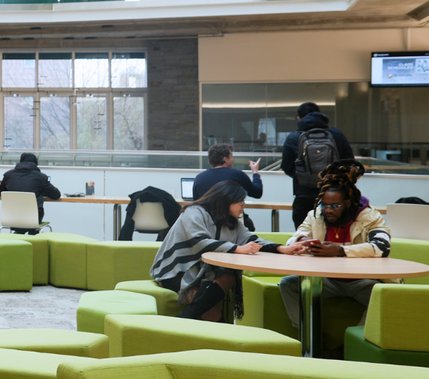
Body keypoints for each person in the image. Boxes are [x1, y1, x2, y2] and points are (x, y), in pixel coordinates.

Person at [150, 181, 302, 322]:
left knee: (227, 277)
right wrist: (237, 248)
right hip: (176, 270)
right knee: (207, 305)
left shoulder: (232, 222)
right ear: (227, 200)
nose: (243, 207)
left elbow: (251, 239)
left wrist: (282, 248)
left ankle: (182, 319)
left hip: (204, 271)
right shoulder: (194, 211)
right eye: (241, 203)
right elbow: (198, 241)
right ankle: (187, 324)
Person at [280, 160, 394, 329]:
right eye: (324, 205)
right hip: (326, 280)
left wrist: (340, 251)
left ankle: (358, 337)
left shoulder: (369, 217)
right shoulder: (316, 215)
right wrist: (301, 241)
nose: (328, 210)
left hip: (361, 280)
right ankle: (309, 335)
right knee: (288, 284)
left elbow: (382, 247)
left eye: (334, 205)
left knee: (384, 295)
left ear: (347, 203)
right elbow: (293, 238)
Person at [283, 102, 353, 228]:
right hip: (335, 195)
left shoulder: (293, 138)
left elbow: (286, 166)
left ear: (299, 118)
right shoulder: (336, 134)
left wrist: (304, 176)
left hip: (304, 195)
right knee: (335, 234)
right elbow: (349, 162)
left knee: (304, 234)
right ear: (320, 115)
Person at [0, 152, 59, 234]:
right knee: (32, 223)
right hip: (34, 218)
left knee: (21, 223)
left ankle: (18, 236)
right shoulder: (40, 177)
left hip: (13, 217)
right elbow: (56, 195)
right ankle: (33, 237)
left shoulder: (8, 175)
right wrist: (41, 191)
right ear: (36, 164)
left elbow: (1, 192)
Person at [193, 143, 262, 200]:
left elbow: (196, 202)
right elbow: (257, 193)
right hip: (229, 213)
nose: (232, 160)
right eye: (231, 157)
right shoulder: (237, 175)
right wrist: (255, 172)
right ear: (225, 159)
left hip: (205, 213)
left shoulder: (199, 178)